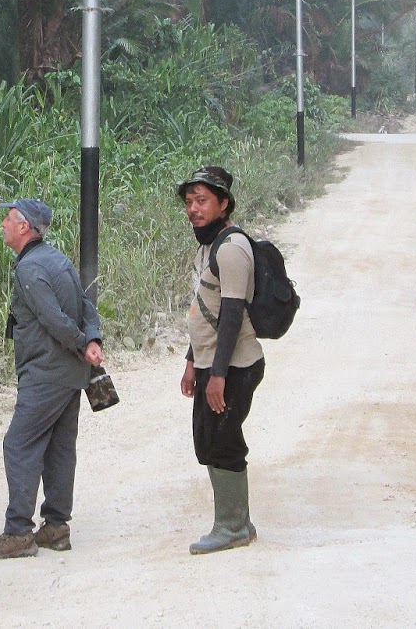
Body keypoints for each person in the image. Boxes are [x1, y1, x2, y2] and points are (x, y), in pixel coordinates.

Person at [0, 198, 104, 560]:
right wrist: (91, 340)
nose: (3, 224)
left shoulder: (29, 268)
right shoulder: (57, 259)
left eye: (8, 218)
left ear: (24, 227)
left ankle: (18, 531)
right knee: (60, 448)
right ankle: (56, 527)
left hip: (46, 372)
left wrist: (81, 343)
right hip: (70, 374)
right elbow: (86, 305)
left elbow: (54, 320)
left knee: (18, 444)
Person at [176, 166, 263, 554]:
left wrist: (218, 375)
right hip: (212, 362)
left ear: (224, 204)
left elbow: (231, 316)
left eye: (202, 201)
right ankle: (237, 522)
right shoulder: (209, 246)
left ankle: (232, 527)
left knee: (223, 440)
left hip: (234, 365)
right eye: (189, 202)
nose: (193, 209)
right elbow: (205, 308)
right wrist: (192, 361)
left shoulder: (231, 249)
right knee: (209, 438)